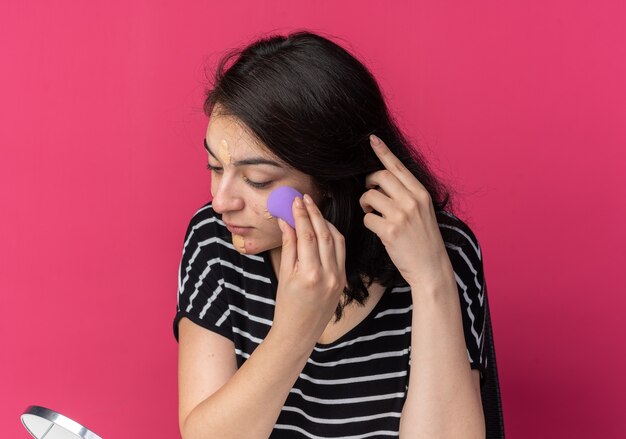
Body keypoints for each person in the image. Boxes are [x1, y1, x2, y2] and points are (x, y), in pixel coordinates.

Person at [174, 31, 489, 438]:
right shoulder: (215, 241)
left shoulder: (443, 250)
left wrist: (432, 281)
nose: (221, 200)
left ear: (330, 178)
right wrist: (296, 327)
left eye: (257, 179)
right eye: (214, 167)